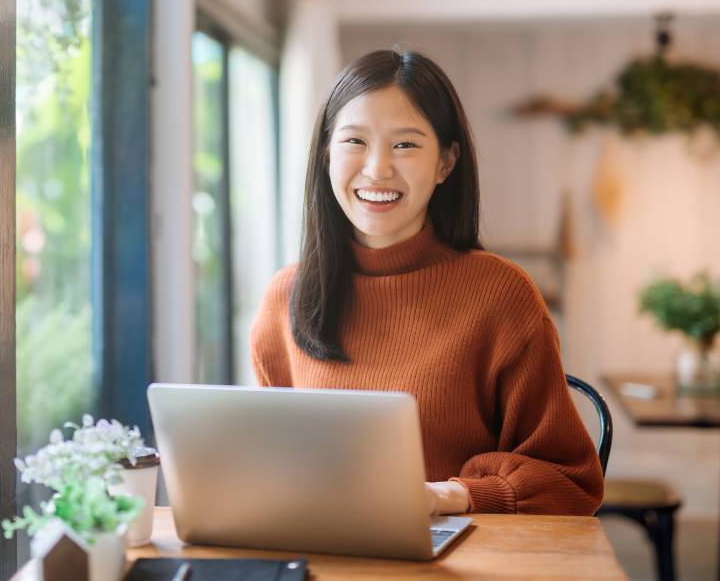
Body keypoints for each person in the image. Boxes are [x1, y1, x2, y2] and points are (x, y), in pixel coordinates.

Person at [250, 49, 603, 516]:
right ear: (326, 154)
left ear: (445, 163)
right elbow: (270, 462)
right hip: (317, 543)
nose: (377, 169)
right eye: (354, 141)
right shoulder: (285, 297)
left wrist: (452, 496)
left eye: (405, 145)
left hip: (459, 549)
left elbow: (571, 481)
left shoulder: (500, 295)